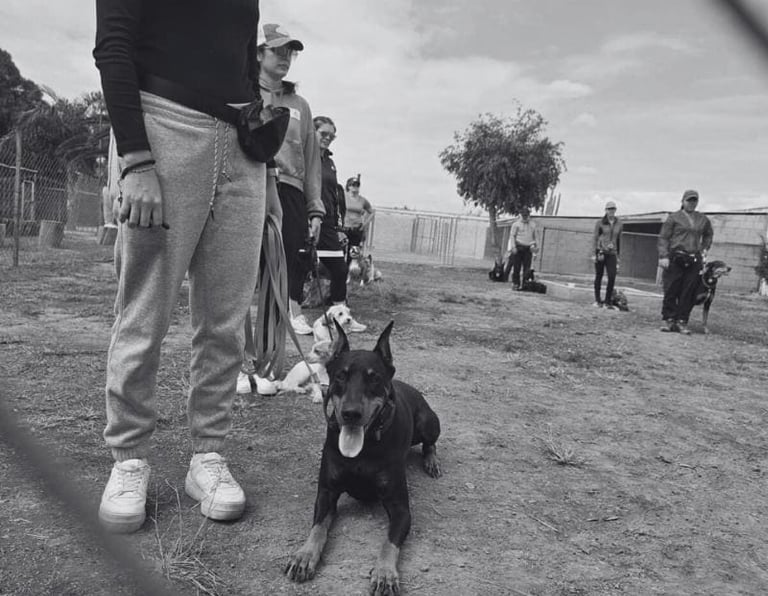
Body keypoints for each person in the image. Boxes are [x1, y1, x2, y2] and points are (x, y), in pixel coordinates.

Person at [93, 0, 271, 533]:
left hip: (242, 147)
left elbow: (244, 67)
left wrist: (263, 150)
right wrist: (137, 159)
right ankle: (128, 459)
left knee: (226, 315)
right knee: (145, 308)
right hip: (163, 126)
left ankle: (208, 456)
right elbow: (113, 48)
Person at [256, 23, 324, 336]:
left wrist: (314, 208)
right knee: (242, 274)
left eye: (290, 52)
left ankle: (268, 354)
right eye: (277, 50)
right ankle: (237, 359)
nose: (285, 58)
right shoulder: (242, 91)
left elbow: (312, 160)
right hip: (250, 189)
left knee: (279, 277)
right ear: (259, 53)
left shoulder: (300, 105)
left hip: (290, 195)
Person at [312, 115, 366, 332]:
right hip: (307, 218)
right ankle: (293, 316)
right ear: (311, 132)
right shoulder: (306, 156)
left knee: (339, 267)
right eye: (323, 134)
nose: (328, 138)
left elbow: (334, 198)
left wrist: (338, 226)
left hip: (327, 223)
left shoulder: (330, 162)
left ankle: (342, 316)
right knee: (299, 267)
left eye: (332, 136)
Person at [658, 189, 714, 334]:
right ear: (683, 201)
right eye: (689, 200)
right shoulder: (673, 218)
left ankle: (682, 321)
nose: (692, 203)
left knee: (688, 291)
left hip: (694, 258)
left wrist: (704, 248)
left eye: (694, 200)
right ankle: (668, 319)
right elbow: (664, 237)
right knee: (671, 288)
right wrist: (663, 256)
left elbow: (708, 234)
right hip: (676, 256)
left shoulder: (702, 219)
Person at [592, 200, 623, 308]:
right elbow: (595, 238)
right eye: (609, 209)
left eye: (613, 209)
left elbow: (619, 240)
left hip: (612, 253)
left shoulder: (619, 223)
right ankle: (597, 300)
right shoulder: (600, 223)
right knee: (599, 275)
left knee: (612, 276)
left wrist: (618, 256)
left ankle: (607, 300)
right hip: (601, 252)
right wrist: (594, 253)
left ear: (615, 210)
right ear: (606, 210)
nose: (611, 211)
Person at [506, 207, 538, 290]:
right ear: (521, 215)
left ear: (529, 215)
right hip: (518, 247)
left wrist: (535, 249)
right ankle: (515, 283)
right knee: (516, 267)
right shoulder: (516, 224)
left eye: (526, 215)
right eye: (523, 215)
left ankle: (525, 285)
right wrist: (513, 247)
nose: (525, 217)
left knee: (527, 268)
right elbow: (512, 236)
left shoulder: (533, 225)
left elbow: (535, 238)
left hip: (528, 248)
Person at [342, 176, 374, 256]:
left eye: (357, 186)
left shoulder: (362, 200)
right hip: (344, 228)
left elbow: (371, 212)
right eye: (353, 185)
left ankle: (352, 268)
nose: (355, 188)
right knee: (341, 252)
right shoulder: (343, 197)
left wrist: (365, 224)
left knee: (353, 255)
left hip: (356, 229)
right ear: (348, 186)